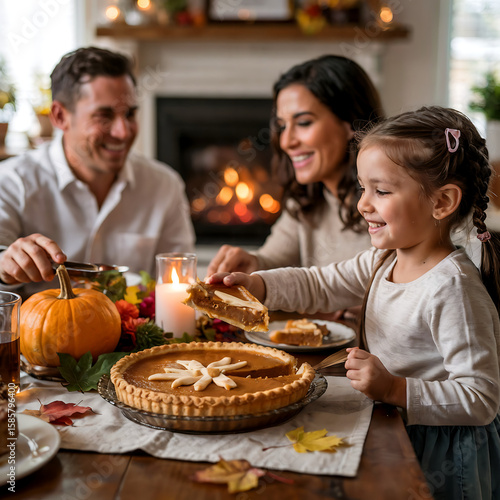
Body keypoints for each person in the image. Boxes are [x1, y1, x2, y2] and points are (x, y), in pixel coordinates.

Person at [208, 106, 500, 499]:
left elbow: (481, 399)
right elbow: (319, 283)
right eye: (363, 187)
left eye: (381, 191)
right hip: (392, 421)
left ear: (442, 202)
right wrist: (258, 285)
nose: (363, 204)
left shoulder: (452, 289)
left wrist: (396, 389)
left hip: (442, 448)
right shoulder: (385, 258)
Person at [0, 47, 195, 296]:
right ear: (60, 117)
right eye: (104, 116)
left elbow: (179, 287)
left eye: (130, 114)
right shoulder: (10, 181)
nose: (123, 132)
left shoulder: (164, 185)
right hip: (38, 332)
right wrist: (6, 266)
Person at [207, 55, 383, 275]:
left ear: (352, 123)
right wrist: (251, 263)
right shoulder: (306, 199)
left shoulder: (387, 203)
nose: (286, 142)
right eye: (282, 126)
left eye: (303, 123)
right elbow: (273, 259)